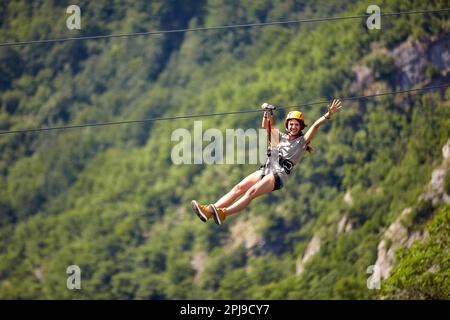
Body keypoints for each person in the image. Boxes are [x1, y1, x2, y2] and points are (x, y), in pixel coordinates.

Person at [191, 99, 342, 225]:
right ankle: (209, 212)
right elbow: (266, 127)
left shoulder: (302, 142)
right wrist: (267, 113)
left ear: (300, 127)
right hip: (266, 169)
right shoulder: (280, 137)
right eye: (291, 123)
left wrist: (328, 114)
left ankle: (223, 213)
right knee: (238, 188)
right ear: (287, 125)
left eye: (296, 124)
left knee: (251, 192)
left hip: (278, 174)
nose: (293, 126)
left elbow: (315, 126)